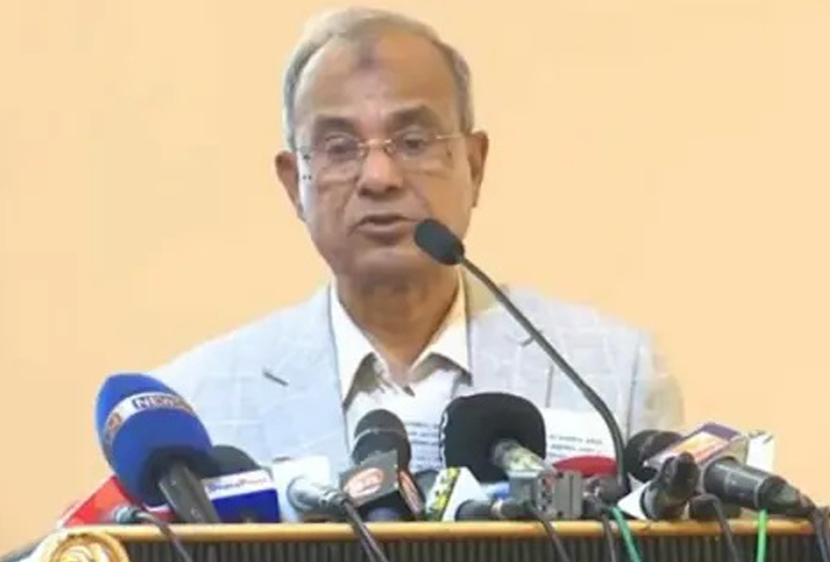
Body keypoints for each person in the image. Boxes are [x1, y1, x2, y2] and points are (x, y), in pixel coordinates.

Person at [153, 7, 683, 474]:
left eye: (413, 141)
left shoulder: (616, 375)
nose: (379, 176)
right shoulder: (197, 406)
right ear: (295, 185)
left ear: (474, 165)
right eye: (339, 147)